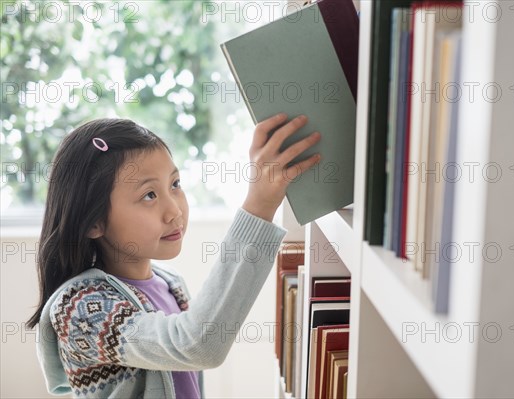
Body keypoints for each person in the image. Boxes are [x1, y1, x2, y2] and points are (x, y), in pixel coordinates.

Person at [27, 115, 321, 398]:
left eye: (175, 185)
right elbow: (198, 344)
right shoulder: (79, 308)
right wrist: (260, 205)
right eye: (149, 195)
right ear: (94, 222)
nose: (175, 211)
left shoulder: (170, 283)